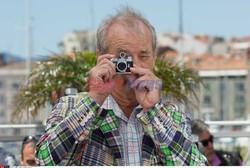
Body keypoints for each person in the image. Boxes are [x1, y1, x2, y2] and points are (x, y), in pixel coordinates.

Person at [35, 6, 207, 166]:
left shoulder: (171, 116)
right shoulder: (69, 107)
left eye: (143, 56)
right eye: (123, 57)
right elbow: (45, 162)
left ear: (154, 59)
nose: (134, 66)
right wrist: (95, 99)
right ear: (101, 58)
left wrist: (153, 110)